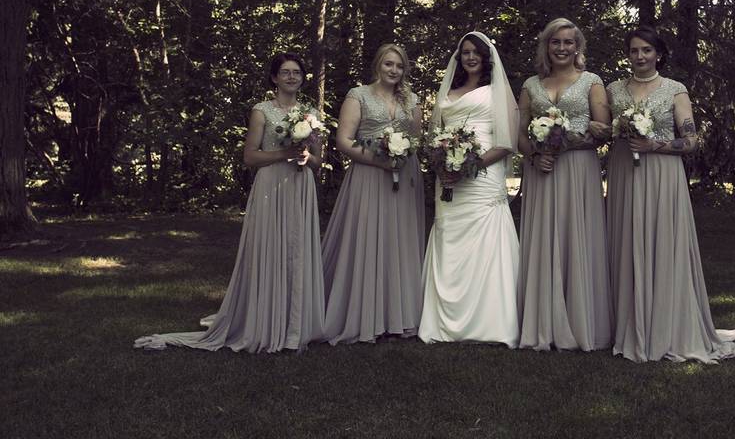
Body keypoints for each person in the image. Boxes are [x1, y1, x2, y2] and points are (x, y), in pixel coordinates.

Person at [606, 26, 735, 362]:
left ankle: (667, 326)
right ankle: (628, 324)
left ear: (658, 54)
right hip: (624, 173)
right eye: (634, 50)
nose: (640, 56)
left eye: (647, 50)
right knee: (626, 242)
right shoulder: (614, 89)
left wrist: (654, 144)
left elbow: (690, 141)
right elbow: (605, 128)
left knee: (662, 243)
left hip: (662, 175)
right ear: (627, 54)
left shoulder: (675, 90)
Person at [135, 53, 326, 352]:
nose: (292, 77)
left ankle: (295, 325)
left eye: (297, 72)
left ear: (302, 77)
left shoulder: (311, 113)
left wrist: (307, 156)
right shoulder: (262, 111)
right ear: (274, 78)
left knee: (297, 251)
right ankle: (264, 320)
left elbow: (318, 162)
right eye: (285, 72)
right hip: (271, 186)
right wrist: (284, 154)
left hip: (301, 187)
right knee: (270, 249)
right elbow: (250, 157)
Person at [418, 32, 521, 347]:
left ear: (487, 57)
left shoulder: (499, 92)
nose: (471, 57)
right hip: (448, 178)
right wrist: (442, 163)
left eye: (476, 52)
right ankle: (444, 321)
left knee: (485, 241)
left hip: (483, 175)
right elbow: (435, 133)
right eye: (465, 53)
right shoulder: (449, 90)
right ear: (459, 57)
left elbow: (507, 142)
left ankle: (492, 324)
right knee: (449, 235)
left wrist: (468, 166)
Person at [516, 18, 613, 351]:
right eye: (555, 42)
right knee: (544, 238)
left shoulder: (592, 82)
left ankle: (581, 321)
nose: (561, 48)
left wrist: (565, 142)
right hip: (542, 171)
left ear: (578, 47)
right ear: (547, 46)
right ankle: (543, 322)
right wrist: (534, 155)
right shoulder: (531, 84)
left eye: (568, 43)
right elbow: (519, 133)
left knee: (577, 235)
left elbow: (602, 129)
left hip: (577, 169)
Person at [321, 44, 425, 344]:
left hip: (405, 177)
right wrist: (379, 160)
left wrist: (401, 156)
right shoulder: (359, 95)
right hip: (368, 175)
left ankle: (400, 315)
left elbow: (415, 140)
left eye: (400, 66)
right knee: (369, 238)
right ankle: (366, 313)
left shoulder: (413, 100)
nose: (394, 70)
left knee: (400, 240)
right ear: (378, 65)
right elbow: (343, 140)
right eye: (389, 64)